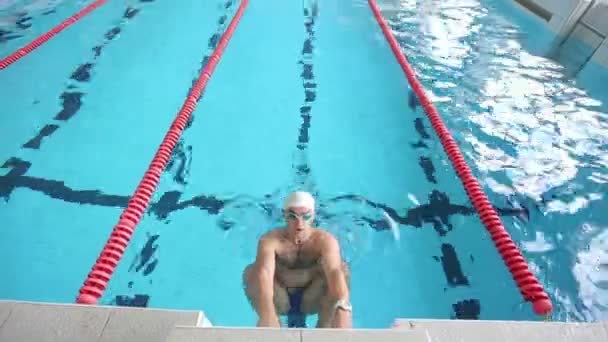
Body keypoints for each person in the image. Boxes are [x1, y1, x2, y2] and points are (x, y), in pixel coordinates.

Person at [243, 191, 352, 328]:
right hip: (280, 299)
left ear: (313, 217)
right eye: (292, 216)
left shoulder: (325, 241)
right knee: (252, 272)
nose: (299, 224)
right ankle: (272, 323)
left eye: (305, 217)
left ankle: (324, 328)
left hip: (312, 298)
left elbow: (334, 272)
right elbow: (264, 274)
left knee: (343, 270)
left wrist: (343, 308)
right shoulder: (270, 241)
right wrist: (268, 314)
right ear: (285, 217)